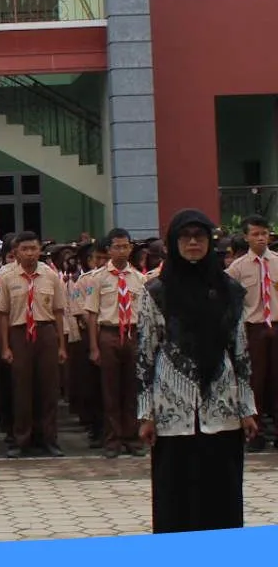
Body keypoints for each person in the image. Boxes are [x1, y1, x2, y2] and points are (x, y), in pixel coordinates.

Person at [138, 208, 259, 533]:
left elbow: (240, 351)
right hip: (171, 410)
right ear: (173, 243)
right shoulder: (156, 292)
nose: (193, 243)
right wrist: (146, 413)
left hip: (222, 406)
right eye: (185, 237)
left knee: (221, 493)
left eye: (200, 237)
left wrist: (247, 409)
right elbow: (145, 354)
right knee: (174, 493)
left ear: (210, 243)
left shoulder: (229, 290)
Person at [0, 232, 69, 458]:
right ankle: (21, 440)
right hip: (19, 333)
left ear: (40, 250)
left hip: (45, 331)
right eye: (24, 249)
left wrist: (61, 345)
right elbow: (2, 314)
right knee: (21, 389)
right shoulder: (7, 278)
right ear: (15, 252)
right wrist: (5, 346)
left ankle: (48, 439)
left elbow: (58, 312)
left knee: (48, 389)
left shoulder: (50, 276)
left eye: (33, 249)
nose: (29, 253)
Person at [85, 228, 147, 458]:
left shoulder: (140, 279)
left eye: (125, 246)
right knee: (110, 390)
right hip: (109, 333)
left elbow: (145, 313)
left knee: (132, 389)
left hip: (132, 333)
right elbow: (91, 314)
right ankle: (112, 440)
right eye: (117, 247)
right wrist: (93, 346)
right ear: (109, 250)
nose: (121, 251)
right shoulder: (97, 278)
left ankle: (132, 437)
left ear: (131, 248)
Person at [224, 214, 277, 452]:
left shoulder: (277, 261)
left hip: (276, 325)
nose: (260, 238)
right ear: (246, 237)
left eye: (264, 233)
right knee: (254, 381)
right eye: (255, 234)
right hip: (252, 328)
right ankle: (255, 433)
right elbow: (228, 303)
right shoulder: (237, 268)